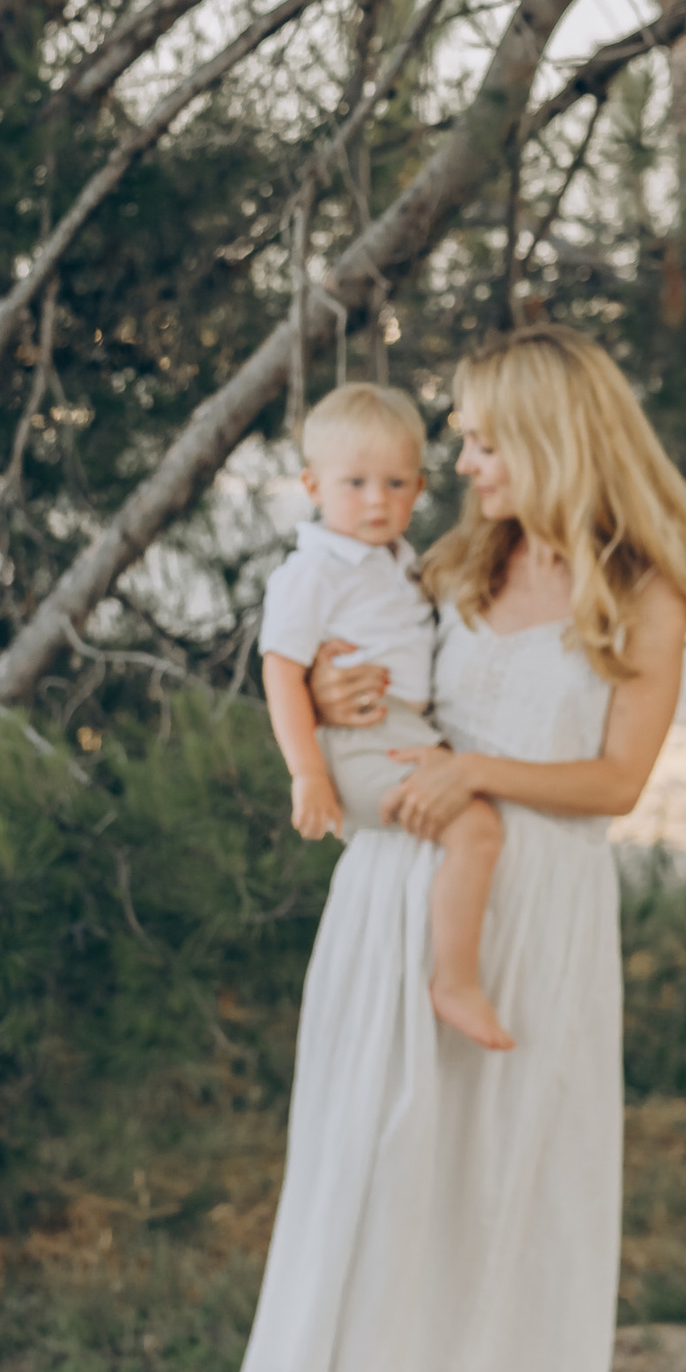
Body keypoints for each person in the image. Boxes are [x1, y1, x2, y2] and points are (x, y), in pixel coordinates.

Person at [236, 324, 686, 1372]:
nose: (462, 457)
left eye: (484, 436)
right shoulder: (451, 562)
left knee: (508, 1182)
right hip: (413, 888)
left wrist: (476, 772)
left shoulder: (642, 589)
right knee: (390, 1175)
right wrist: (347, 702)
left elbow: (617, 780)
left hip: (543, 904)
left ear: (551, 439)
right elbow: (361, 676)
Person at [258, 380, 511, 1051]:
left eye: (396, 483)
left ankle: (450, 972)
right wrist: (307, 773)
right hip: (364, 743)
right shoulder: (313, 572)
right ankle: (454, 981)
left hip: (403, 730)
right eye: (356, 484)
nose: (377, 500)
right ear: (312, 487)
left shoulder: (398, 563)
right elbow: (280, 670)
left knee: (478, 823)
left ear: (421, 487)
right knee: (478, 829)